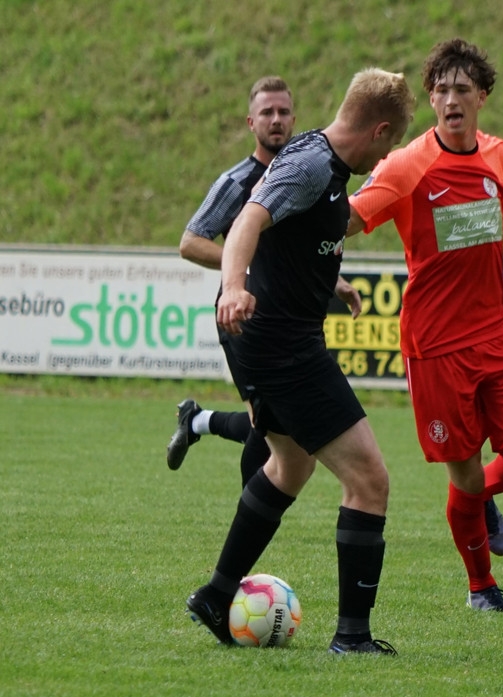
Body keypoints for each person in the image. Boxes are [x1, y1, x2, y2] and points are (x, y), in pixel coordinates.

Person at [186, 67, 416, 655]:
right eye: (389, 145)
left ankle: (215, 595)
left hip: (273, 340)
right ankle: (352, 637)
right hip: (282, 345)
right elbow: (248, 220)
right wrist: (234, 286)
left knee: (290, 465)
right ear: (378, 130)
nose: (385, 157)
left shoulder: (324, 163)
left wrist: (327, 280)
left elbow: (295, 239)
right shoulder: (311, 164)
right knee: (369, 480)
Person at [347, 38, 503, 612]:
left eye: (462, 89)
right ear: (431, 98)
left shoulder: (498, 156)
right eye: (441, 89)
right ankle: (480, 586)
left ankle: (479, 500)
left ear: (481, 97)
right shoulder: (406, 165)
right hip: (435, 346)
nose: (450, 99)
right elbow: (348, 217)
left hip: (494, 333)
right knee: (465, 478)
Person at [166, 76, 297, 484]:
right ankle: (252, 512)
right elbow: (190, 242)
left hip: (289, 316)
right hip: (243, 315)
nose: (276, 119)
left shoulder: (300, 175)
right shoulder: (236, 182)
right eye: (267, 113)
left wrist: (334, 282)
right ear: (250, 122)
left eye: (283, 112)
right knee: (271, 421)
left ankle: (197, 421)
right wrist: (245, 266)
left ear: (294, 119)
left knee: (285, 422)